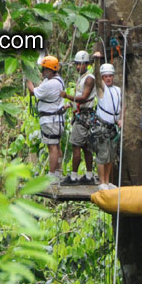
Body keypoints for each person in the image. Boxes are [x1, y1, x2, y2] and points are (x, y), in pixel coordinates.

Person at [26, 56, 66, 182]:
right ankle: (58, 172)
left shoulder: (52, 84)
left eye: (43, 69)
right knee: (57, 146)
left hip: (51, 120)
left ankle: (52, 174)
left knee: (52, 147)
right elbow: (39, 89)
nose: (42, 71)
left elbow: (33, 91)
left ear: (49, 70)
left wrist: (27, 77)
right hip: (55, 119)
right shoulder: (54, 80)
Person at [61, 51, 96, 185]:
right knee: (86, 147)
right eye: (76, 64)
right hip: (83, 114)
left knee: (76, 146)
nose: (78, 67)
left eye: (80, 64)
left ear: (86, 64)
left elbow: (84, 98)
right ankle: (88, 176)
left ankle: (74, 176)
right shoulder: (82, 78)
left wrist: (66, 96)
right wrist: (69, 105)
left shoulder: (89, 78)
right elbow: (80, 99)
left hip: (83, 116)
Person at [92, 60, 123, 190]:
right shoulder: (101, 89)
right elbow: (97, 79)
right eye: (106, 76)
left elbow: (123, 106)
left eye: (110, 76)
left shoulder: (117, 90)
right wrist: (96, 61)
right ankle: (102, 182)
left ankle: (108, 181)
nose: (108, 78)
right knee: (103, 155)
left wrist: (122, 119)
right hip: (102, 127)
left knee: (111, 156)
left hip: (113, 127)